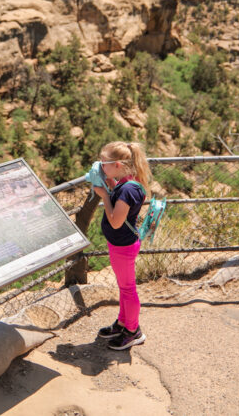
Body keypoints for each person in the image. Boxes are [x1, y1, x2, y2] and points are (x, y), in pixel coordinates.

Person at [92, 140, 150, 351]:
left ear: (118, 165)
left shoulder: (128, 191)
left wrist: (105, 196)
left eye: (104, 162)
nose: (101, 166)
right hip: (121, 245)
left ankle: (133, 331)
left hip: (123, 247)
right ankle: (122, 324)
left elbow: (116, 221)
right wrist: (112, 187)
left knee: (128, 289)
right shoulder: (127, 183)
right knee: (124, 288)